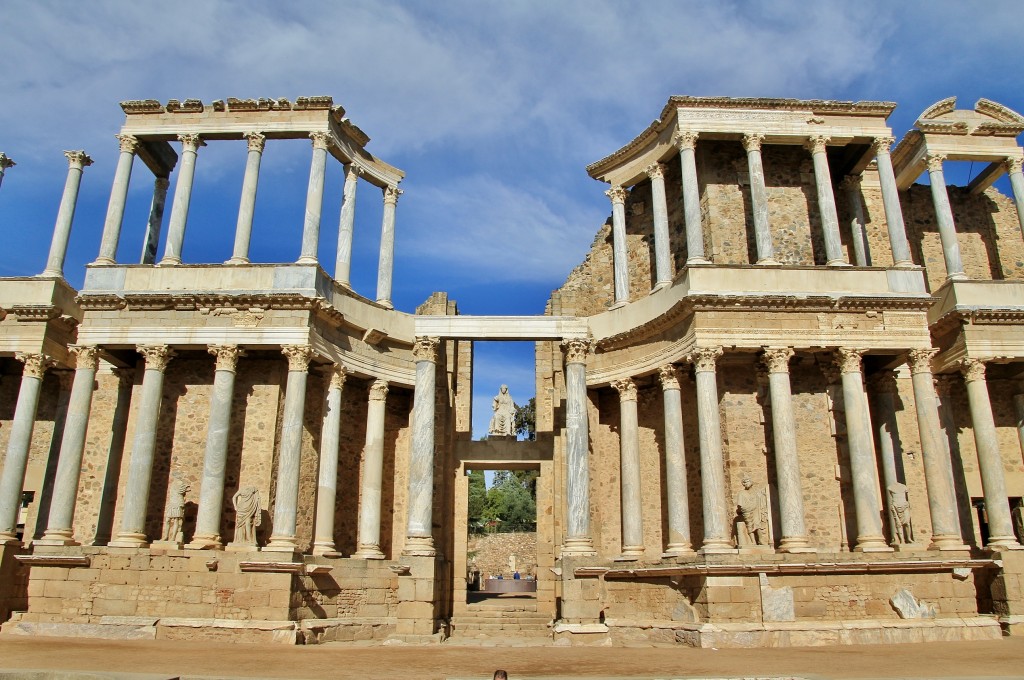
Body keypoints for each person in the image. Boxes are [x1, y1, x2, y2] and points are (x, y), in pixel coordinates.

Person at [736, 476, 769, 546]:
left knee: (758, 524)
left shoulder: (756, 492)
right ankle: (753, 541)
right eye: (744, 482)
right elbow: (740, 504)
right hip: (747, 511)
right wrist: (743, 509)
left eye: (747, 481)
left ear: (751, 482)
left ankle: (760, 540)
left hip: (756, 510)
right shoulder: (742, 493)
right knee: (749, 525)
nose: (746, 483)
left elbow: (761, 498)